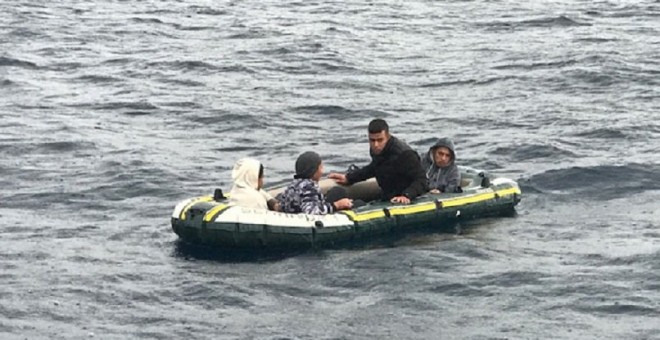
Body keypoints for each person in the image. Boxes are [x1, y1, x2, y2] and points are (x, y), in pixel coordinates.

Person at [328, 118, 428, 204]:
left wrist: (407, 195)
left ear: (388, 137)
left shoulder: (405, 154)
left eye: (380, 140)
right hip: (388, 195)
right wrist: (349, 178)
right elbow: (374, 168)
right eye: (372, 140)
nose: (376, 145)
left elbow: (422, 179)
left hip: (408, 197)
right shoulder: (377, 151)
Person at [278, 151, 353, 215]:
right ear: (314, 171)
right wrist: (337, 205)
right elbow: (311, 212)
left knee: (338, 191)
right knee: (358, 203)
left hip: (296, 211)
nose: (322, 171)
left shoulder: (293, 184)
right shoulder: (308, 187)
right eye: (321, 167)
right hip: (305, 222)